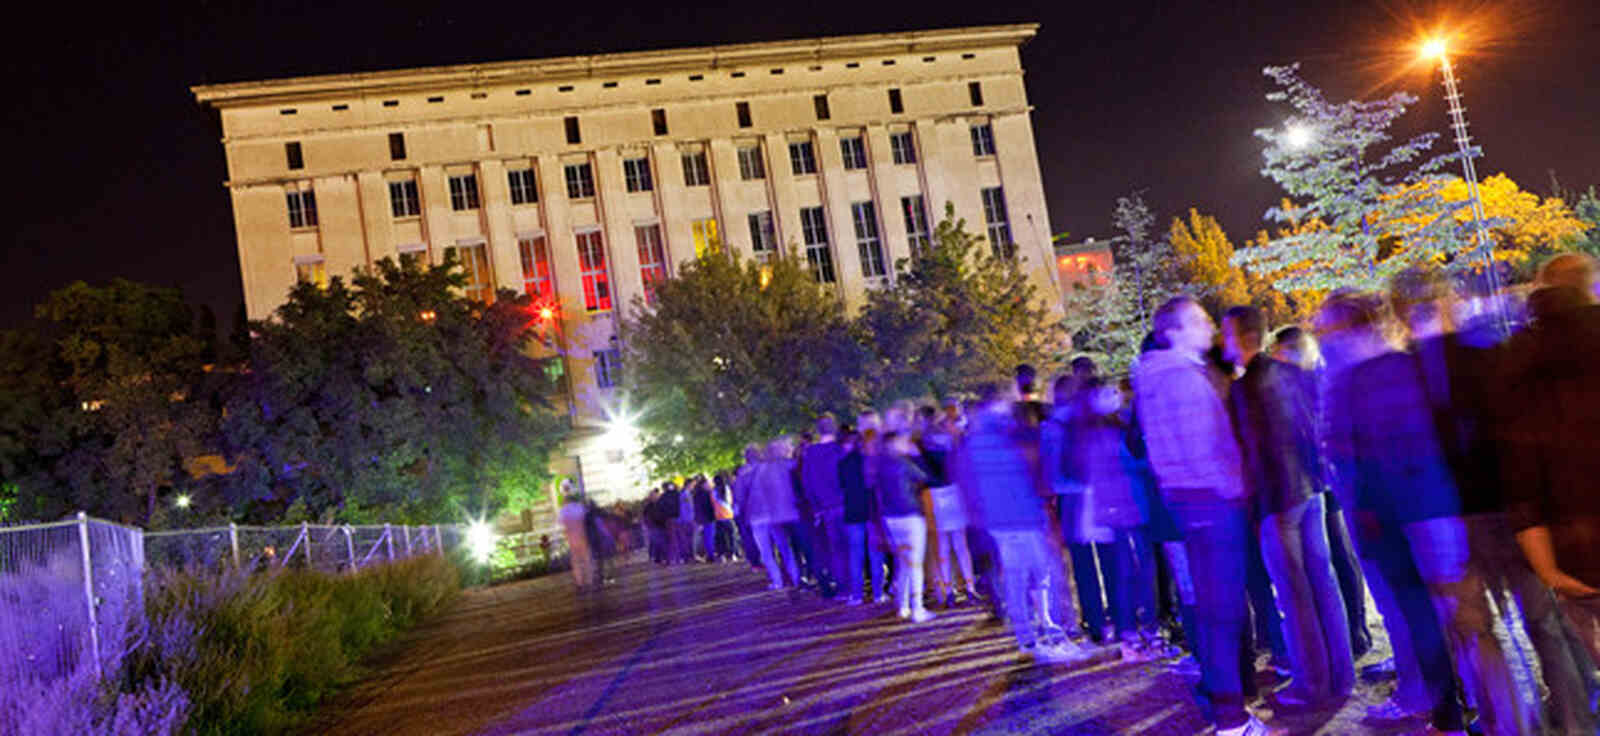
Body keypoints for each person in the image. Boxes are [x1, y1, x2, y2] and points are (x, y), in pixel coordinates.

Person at [1321, 289, 1470, 735]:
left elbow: (1345, 454)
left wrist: (1365, 512)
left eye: (1329, 326)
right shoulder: (1410, 363)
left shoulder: (1347, 380)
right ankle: (1481, 707)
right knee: (1457, 615)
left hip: (1388, 516)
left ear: (1349, 327)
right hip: (1435, 504)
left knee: (1418, 613)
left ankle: (1446, 713)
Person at [1134, 295, 1265, 736]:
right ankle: (1232, 718)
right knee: (1223, 609)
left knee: (1211, 609)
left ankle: (1227, 708)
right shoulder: (1183, 381)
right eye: (1199, 321)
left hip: (1187, 503)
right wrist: (1236, 488)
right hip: (1213, 502)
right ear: (1173, 331)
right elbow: (1208, 448)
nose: (1208, 327)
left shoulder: (1155, 378)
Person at [1222, 305, 1353, 706]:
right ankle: (1341, 676)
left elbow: (1248, 451)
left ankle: (1312, 684)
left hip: (1278, 499)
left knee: (1294, 596)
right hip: (1311, 489)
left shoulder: (1243, 390)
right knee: (1324, 584)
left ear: (1238, 336)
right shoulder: (1293, 373)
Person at [956, 384, 1091, 664]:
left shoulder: (972, 441)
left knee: (1016, 578)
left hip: (999, 522)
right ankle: (1051, 632)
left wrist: (980, 519)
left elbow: (968, 485)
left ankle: (1026, 637)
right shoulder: (1010, 434)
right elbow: (1029, 474)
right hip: (1023, 516)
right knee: (1042, 573)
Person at [1071, 374, 1161, 658]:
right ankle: (1143, 630)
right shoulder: (1111, 432)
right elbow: (1130, 465)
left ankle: (1132, 631)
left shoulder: (1093, 432)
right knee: (1140, 571)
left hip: (1117, 509)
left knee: (1127, 572)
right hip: (1130, 507)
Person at [922, 405, 980, 607]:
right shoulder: (954, 445)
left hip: (936, 496)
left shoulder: (924, 446)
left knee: (944, 546)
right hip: (954, 493)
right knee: (960, 545)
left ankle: (949, 591)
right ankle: (970, 588)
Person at [876, 431, 935, 623]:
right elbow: (926, 477)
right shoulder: (904, 463)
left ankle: (902, 606)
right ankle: (918, 608)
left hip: (892, 519)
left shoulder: (880, 465)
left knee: (903, 563)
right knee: (915, 563)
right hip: (910, 516)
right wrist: (916, 454)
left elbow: (879, 496)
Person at [840, 415, 888, 604]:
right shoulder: (872, 461)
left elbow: (842, 487)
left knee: (855, 556)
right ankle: (878, 593)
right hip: (871, 511)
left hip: (852, 513)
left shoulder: (843, 464)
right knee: (876, 553)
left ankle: (857, 595)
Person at [802, 415, 850, 599]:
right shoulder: (839, 450)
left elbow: (808, 484)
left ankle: (843, 588)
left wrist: (816, 507)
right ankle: (856, 588)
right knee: (850, 547)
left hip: (825, 508)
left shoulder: (811, 454)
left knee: (835, 550)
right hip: (845, 503)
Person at [745, 437, 803, 590]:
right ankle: (795, 577)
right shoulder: (774, 467)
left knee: (766, 551)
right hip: (774, 514)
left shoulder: (748, 472)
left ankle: (778, 581)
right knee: (784, 547)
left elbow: (741, 495)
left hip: (758, 516)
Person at [558, 485, 596, 591]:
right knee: (587, 559)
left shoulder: (563, 511)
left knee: (576, 561)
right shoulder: (580, 507)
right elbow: (586, 519)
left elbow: (561, 523)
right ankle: (589, 580)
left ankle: (580, 582)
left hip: (571, 538)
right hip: (582, 536)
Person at [692, 476, 717, 562]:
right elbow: (709, 507)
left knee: (706, 538)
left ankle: (709, 554)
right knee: (709, 537)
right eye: (707, 483)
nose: (709, 485)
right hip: (708, 518)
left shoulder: (696, 494)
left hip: (702, 519)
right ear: (703, 484)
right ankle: (710, 555)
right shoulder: (706, 494)